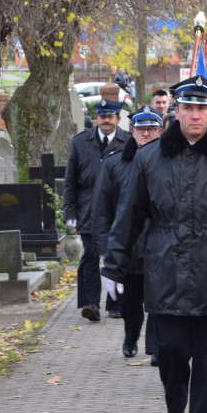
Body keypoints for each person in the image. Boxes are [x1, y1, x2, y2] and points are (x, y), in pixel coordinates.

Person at [103, 74, 207, 413]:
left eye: (202, 108)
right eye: (187, 108)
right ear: (176, 111)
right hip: (164, 265)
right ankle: (176, 403)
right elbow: (128, 214)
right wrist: (113, 263)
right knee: (170, 349)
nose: (194, 115)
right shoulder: (148, 158)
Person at [93, 110, 164, 361]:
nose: (146, 134)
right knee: (130, 302)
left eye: (151, 129)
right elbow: (102, 209)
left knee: (158, 301)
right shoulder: (114, 163)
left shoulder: (169, 161)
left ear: (160, 132)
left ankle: (156, 347)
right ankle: (131, 337)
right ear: (131, 132)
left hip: (159, 245)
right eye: (141, 129)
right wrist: (105, 248)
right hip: (128, 247)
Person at [64, 99, 131, 322]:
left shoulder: (127, 142)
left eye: (110, 116)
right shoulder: (81, 142)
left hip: (118, 210)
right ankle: (91, 303)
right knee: (91, 254)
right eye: (102, 116)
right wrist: (70, 212)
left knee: (118, 255)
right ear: (96, 119)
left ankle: (117, 304)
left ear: (118, 119)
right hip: (88, 210)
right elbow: (70, 180)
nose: (105, 121)